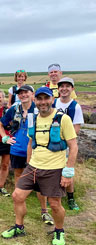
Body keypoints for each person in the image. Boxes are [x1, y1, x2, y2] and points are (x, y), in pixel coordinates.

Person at [1, 87, 78, 245]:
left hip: (55, 168)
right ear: (35, 100)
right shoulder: (33, 119)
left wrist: (68, 172)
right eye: (40, 99)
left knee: (55, 204)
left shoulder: (62, 119)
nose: (43, 102)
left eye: (46, 98)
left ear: (52, 99)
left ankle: (59, 230)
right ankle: (19, 227)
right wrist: (29, 163)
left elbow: (73, 146)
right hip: (34, 167)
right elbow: (30, 142)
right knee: (17, 196)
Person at [0, 85, 53, 225]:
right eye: (20, 93)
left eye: (25, 92)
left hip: (34, 150)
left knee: (38, 180)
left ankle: (44, 211)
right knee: (18, 175)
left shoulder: (39, 108)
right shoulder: (15, 109)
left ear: (32, 94)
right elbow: (0, 124)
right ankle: (19, 204)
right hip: (16, 149)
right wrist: (5, 138)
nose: (23, 95)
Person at [53, 77, 84, 210]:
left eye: (67, 86)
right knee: (53, 170)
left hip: (66, 144)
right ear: (58, 88)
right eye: (61, 86)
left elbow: (76, 128)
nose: (64, 88)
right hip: (53, 142)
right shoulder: (53, 103)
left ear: (72, 89)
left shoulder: (75, 106)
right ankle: (53, 196)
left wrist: (65, 142)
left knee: (67, 170)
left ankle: (71, 198)